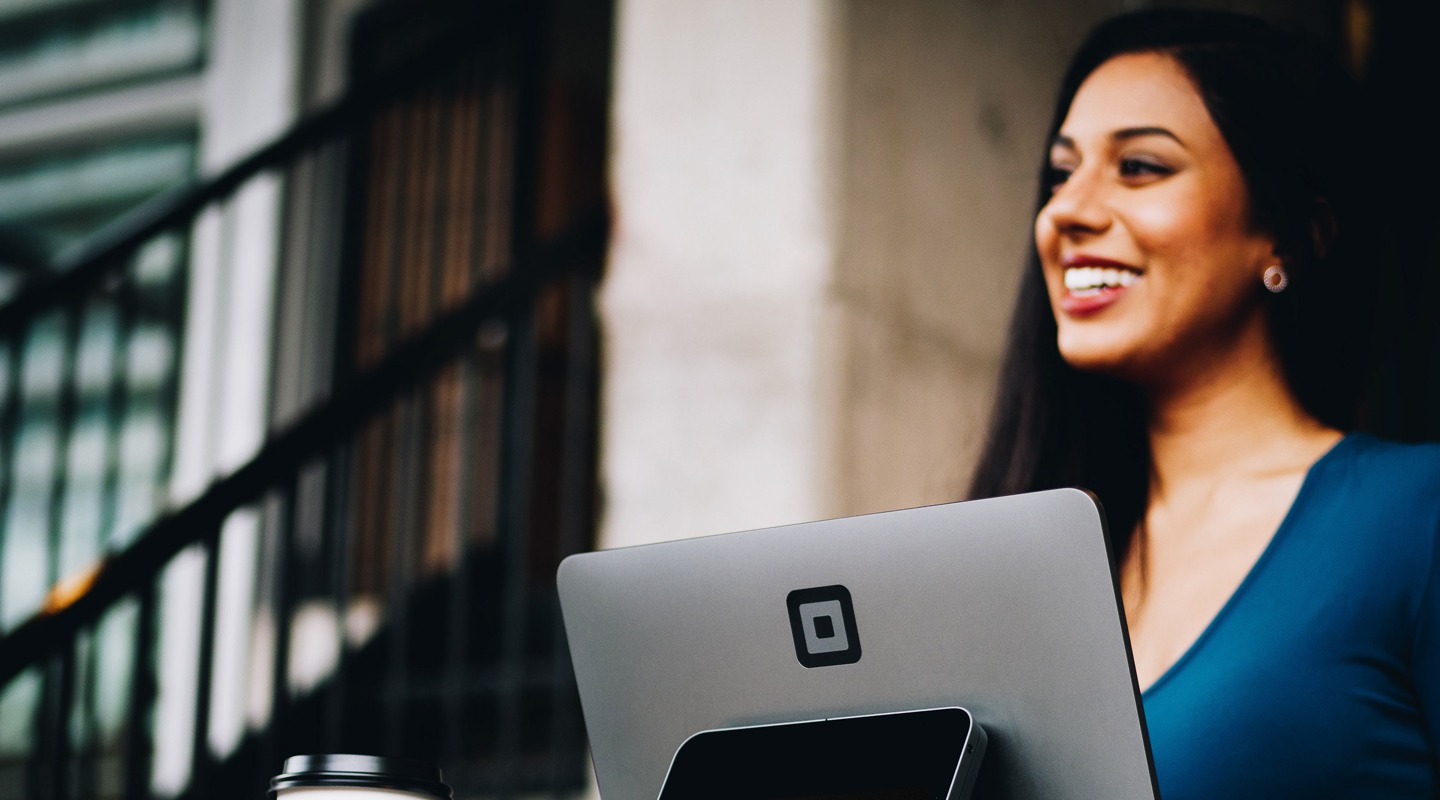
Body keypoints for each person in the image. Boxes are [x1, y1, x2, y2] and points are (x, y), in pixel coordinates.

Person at [968, 9, 1440, 798]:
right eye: (1061, 173)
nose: (1064, 214)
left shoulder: (1415, 518)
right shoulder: (1010, 560)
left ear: (1289, 232)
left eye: (1141, 167)